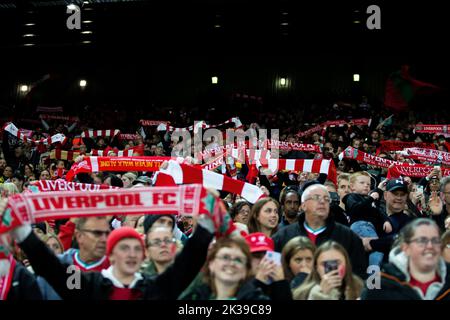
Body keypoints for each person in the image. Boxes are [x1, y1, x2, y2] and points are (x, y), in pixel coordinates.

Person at [9, 207, 219, 300]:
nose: (131, 254)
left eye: (137, 249)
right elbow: (50, 268)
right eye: (124, 248)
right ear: (111, 256)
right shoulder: (89, 285)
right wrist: (21, 231)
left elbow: (188, 263)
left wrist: (208, 221)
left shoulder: (154, 287)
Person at [273, 184, 368, 279]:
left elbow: (358, 274)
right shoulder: (283, 236)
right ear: (303, 205)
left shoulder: (348, 236)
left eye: (327, 199)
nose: (322, 201)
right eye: (316, 198)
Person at [362, 218, 450, 300]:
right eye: (422, 241)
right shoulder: (381, 284)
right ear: (406, 248)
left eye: (435, 240)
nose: (430, 246)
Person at [180, 237, 269, 300]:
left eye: (238, 260)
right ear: (211, 264)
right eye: (225, 257)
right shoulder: (193, 297)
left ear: (245, 270)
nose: (231, 263)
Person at [343, 171, 392, 267]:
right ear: (352, 186)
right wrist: (370, 199)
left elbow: (377, 211)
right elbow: (355, 209)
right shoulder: (351, 197)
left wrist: (386, 221)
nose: (366, 186)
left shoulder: (368, 199)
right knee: (377, 249)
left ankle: (372, 276)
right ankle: (374, 278)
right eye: (362, 183)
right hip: (361, 225)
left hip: (370, 228)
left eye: (368, 184)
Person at [293, 241, 364, 300]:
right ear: (316, 267)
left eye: (337, 263)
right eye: (325, 264)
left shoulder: (362, 289)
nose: (332, 269)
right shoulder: (300, 295)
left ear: (346, 264)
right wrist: (319, 296)